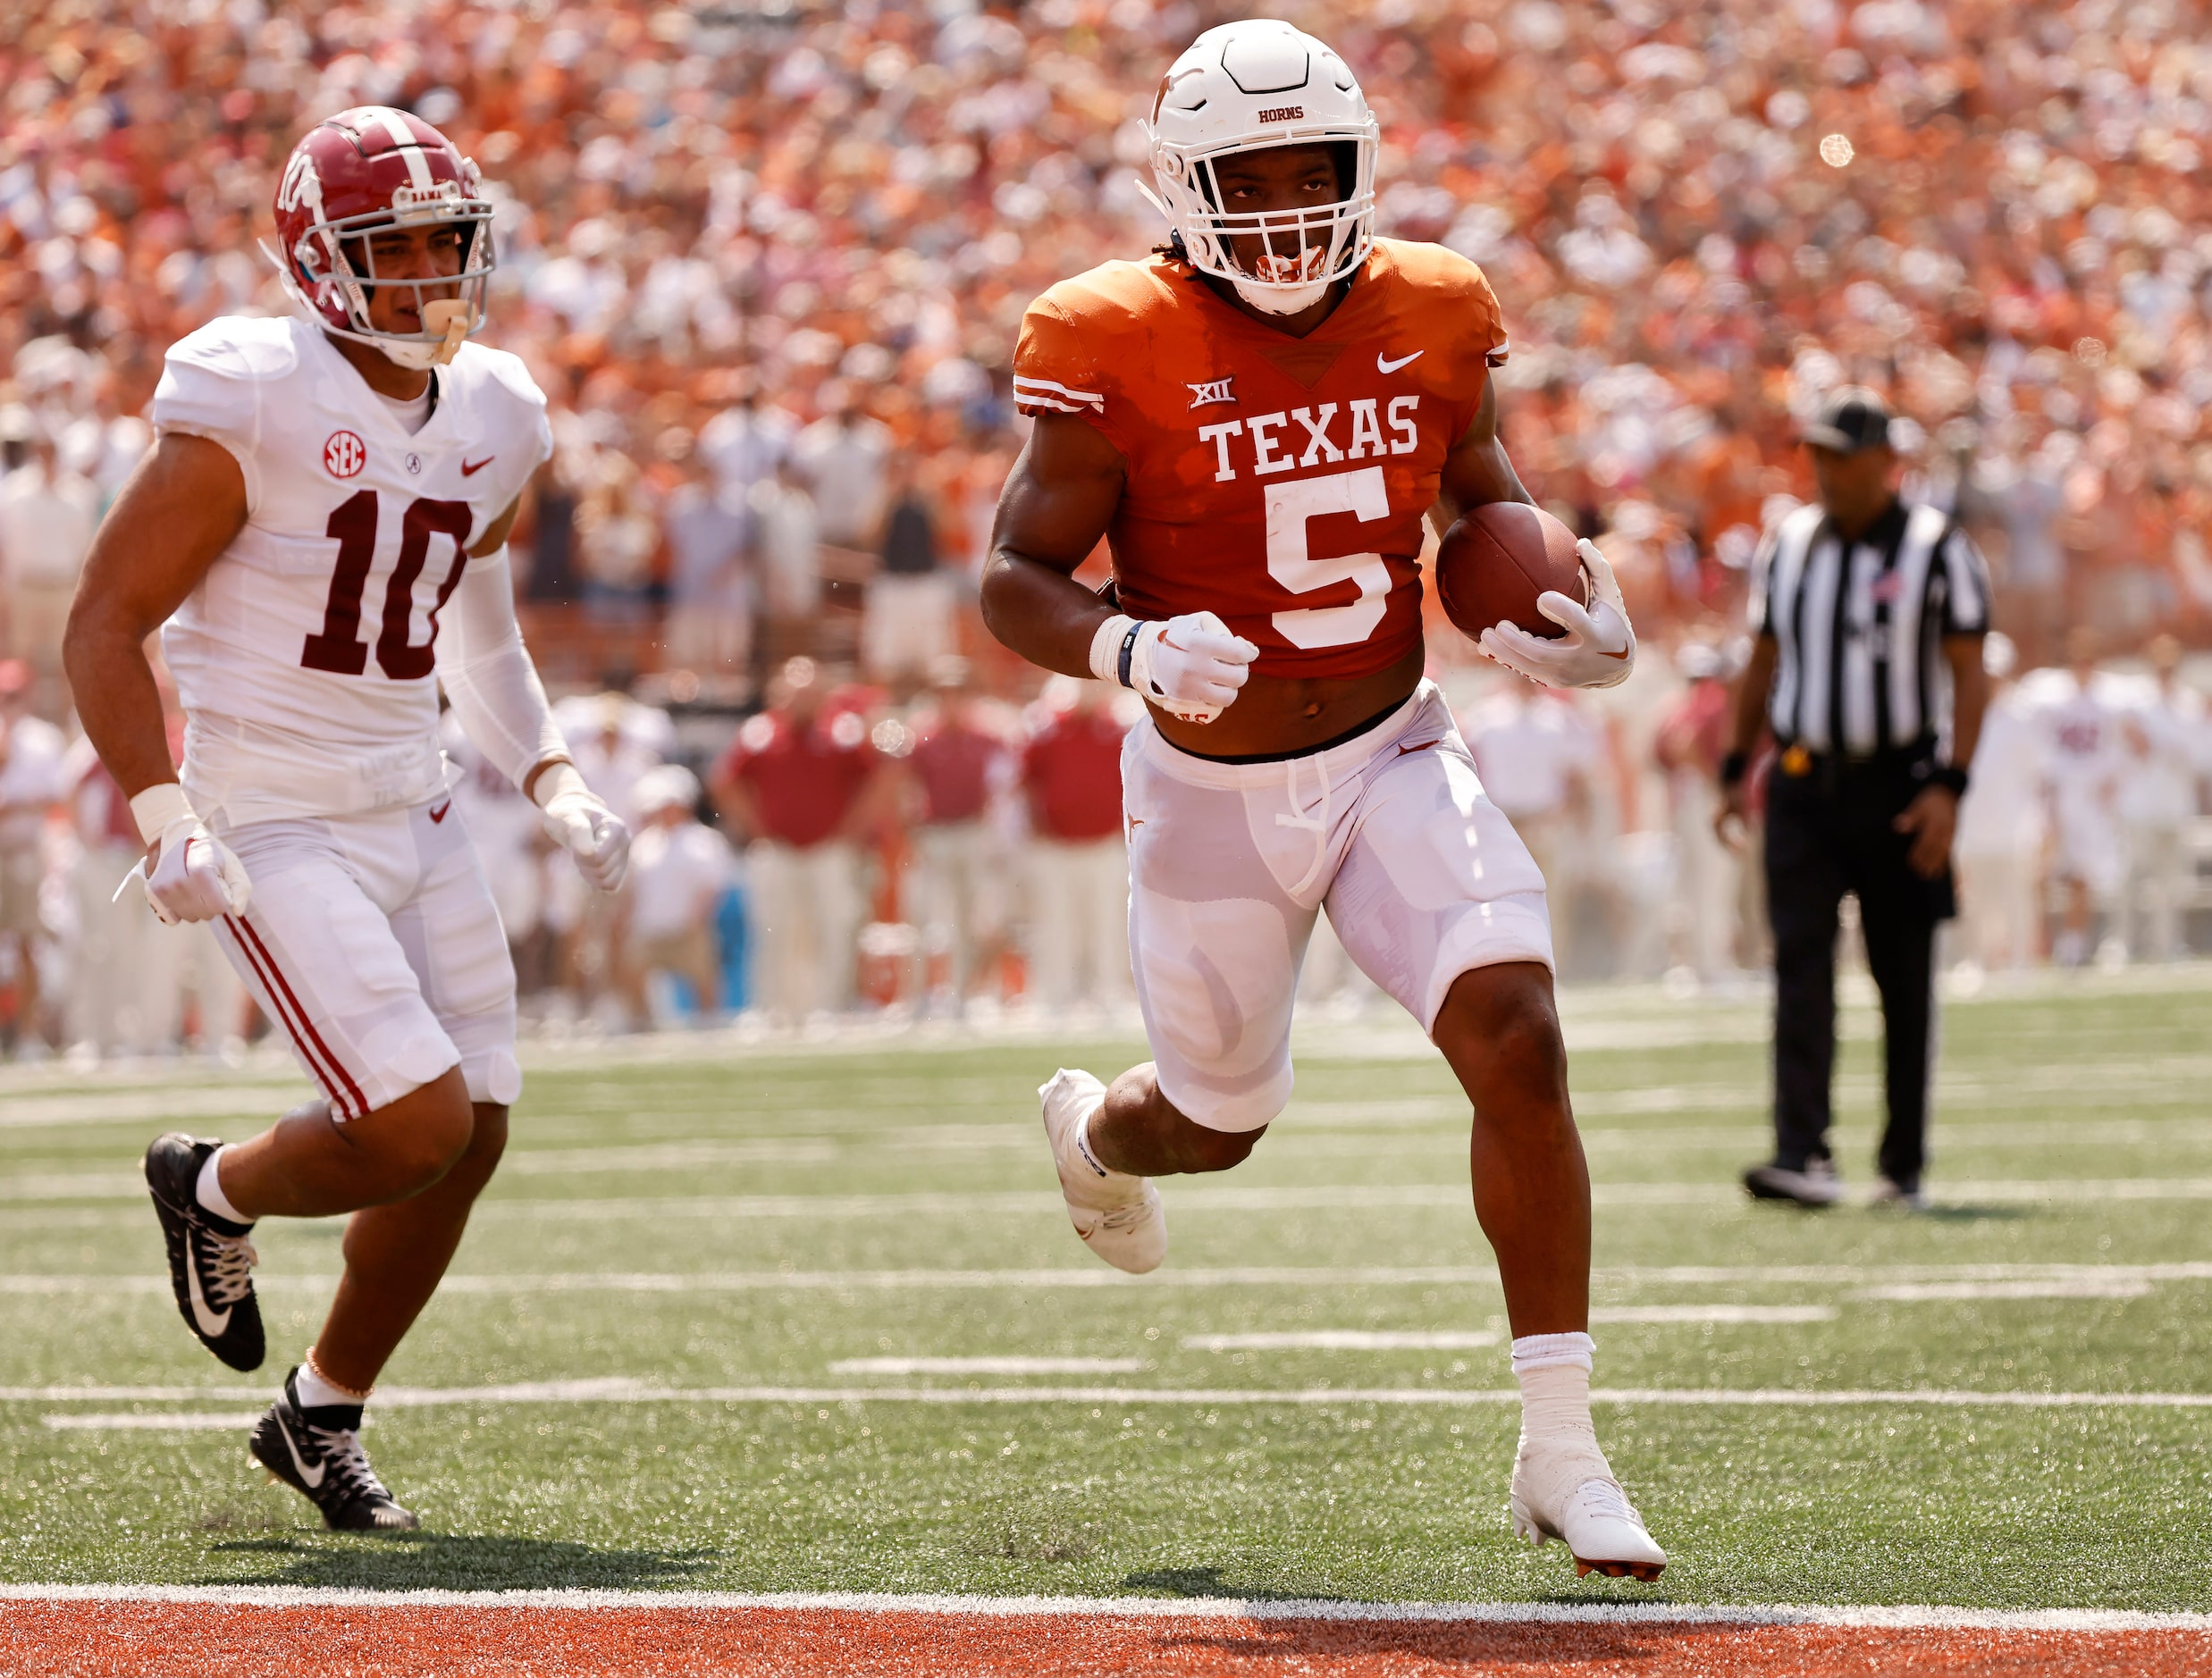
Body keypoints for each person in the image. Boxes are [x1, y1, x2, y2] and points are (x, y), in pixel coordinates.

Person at [979, 21, 1661, 1581]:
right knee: (1213, 1125)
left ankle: (1560, 1447)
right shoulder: (1110, 332)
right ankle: (1095, 1126)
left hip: (1389, 747)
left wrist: (1558, 615)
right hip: (1209, 787)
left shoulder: (1432, 301)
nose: (1287, 208)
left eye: (1314, 172)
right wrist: (1126, 643)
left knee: (1522, 1033)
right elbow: (1011, 578)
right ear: (1184, 185)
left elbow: (1483, 498)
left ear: (1362, 169)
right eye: (1249, 178)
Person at [62, 107, 630, 1533]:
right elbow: (104, 620)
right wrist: (162, 809)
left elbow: (479, 635)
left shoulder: (496, 408)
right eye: (400, 247)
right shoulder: (253, 391)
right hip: (277, 807)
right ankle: (216, 1182)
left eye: (452, 241)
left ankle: (320, 1411)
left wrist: (550, 771)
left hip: (417, 796)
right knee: (412, 1120)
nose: (435, 272)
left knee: (478, 1124)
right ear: (321, 263)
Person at [1718, 389, 1990, 1212]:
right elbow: (1762, 658)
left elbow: (1971, 672)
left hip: (1898, 785)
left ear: (1884, 462)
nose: (1824, 471)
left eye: (1840, 456)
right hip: (1803, 782)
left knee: (1901, 976)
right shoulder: (1789, 541)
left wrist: (1950, 785)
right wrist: (1736, 763)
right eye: (1818, 455)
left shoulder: (1938, 547)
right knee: (1798, 965)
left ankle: (1901, 1164)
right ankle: (1802, 1151)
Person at [711, 657, 887, 1021]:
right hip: (778, 849)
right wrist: (756, 827)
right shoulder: (760, 732)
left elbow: (879, 780)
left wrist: (851, 830)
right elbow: (723, 781)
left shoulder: (843, 731)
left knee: (833, 929)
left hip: (829, 850)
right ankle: (775, 1008)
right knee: (776, 930)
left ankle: (829, 1007)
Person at [1018, 678, 1133, 1014]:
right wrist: (1037, 828)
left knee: (1107, 923)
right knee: (1057, 922)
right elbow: (1027, 782)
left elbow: (1132, 783)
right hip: (1056, 845)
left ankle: (1108, 994)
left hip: (1103, 844)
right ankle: (1055, 997)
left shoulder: (1116, 732)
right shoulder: (1048, 731)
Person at [904, 659, 1010, 1010]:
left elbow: (1001, 789)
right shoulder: (922, 739)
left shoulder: (987, 738)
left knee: (972, 919)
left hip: (973, 834)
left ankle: (964, 996)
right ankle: (919, 998)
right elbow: (905, 790)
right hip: (935, 836)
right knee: (926, 916)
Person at [1952, 633, 2048, 973]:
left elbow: (2040, 778)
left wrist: (2042, 827)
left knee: (2016, 900)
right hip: (1972, 826)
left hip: (2013, 827)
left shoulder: (2022, 719)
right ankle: (1977, 961)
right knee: (1975, 900)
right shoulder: (1955, 716)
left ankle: (2019, 962)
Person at [2031, 629, 2125, 968]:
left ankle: (2072, 946)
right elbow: (2038, 749)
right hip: (2055, 798)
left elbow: (2120, 749)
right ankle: (2039, 943)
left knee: (2081, 876)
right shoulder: (2049, 697)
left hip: (2088, 802)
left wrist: (2110, 783)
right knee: (2039, 874)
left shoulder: (2110, 700)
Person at [616, 764, 733, 1025]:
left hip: (687, 926)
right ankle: (641, 1022)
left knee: (703, 976)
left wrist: (696, 918)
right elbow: (634, 886)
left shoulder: (703, 841)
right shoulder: (645, 842)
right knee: (632, 973)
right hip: (648, 926)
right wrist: (627, 917)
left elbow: (713, 885)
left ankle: (710, 1022)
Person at [2113, 634, 2205, 963]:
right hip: (2139, 805)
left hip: (2175, 806)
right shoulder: (2137, 704)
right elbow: (2129, 746)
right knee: (2131, 877)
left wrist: (2164, 749)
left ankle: (2168, 945)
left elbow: (2199, 757)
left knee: (2173, 881)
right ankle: (2122, 944)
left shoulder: (2190, 705)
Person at [0, 419, 99, 678]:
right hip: (26, 586)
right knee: (21, 660)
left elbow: (86, 546)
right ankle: (19, 716)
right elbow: (7, 544)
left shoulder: (80, 493)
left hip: (63, 586)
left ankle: (65, 716)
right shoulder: (14, 490)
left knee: (66, 660)